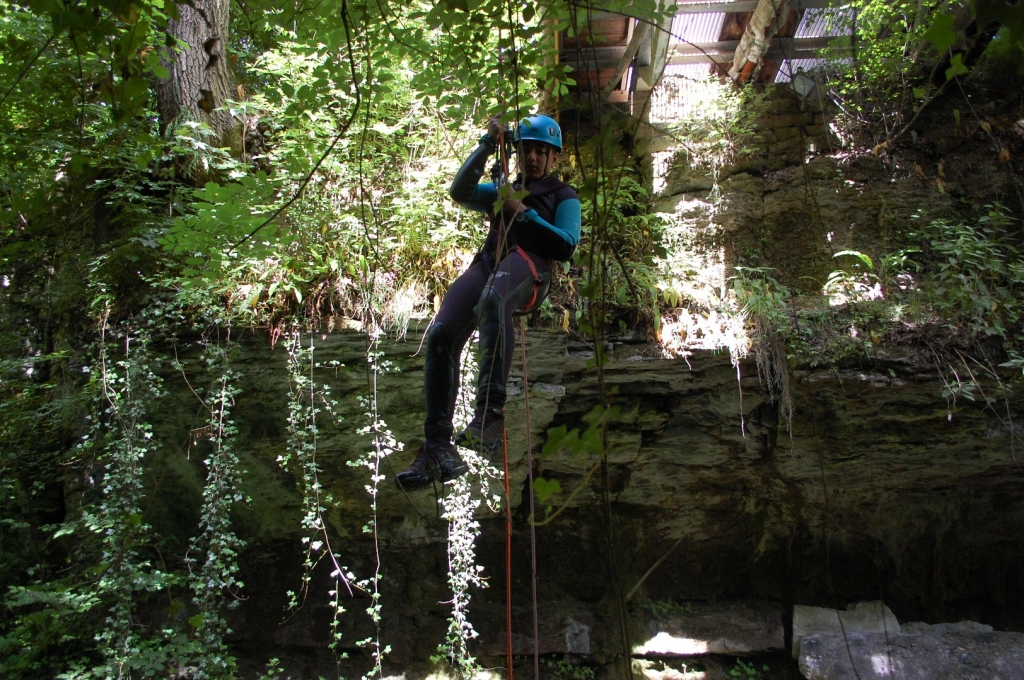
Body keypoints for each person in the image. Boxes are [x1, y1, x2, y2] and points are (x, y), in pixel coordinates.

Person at [394, 114, 582, 492]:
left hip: (531, 269)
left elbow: (566, 244)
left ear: (553, 158)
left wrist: (523, 213)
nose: (533, 158)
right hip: (492, 262)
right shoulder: (502, 192)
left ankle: (490, 415)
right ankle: (437, 448)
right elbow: (460, 191)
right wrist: (485, 144)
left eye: (542, 152)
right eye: (527, 149)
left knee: (495, 298)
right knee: (442, 334)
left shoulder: (564, 196)